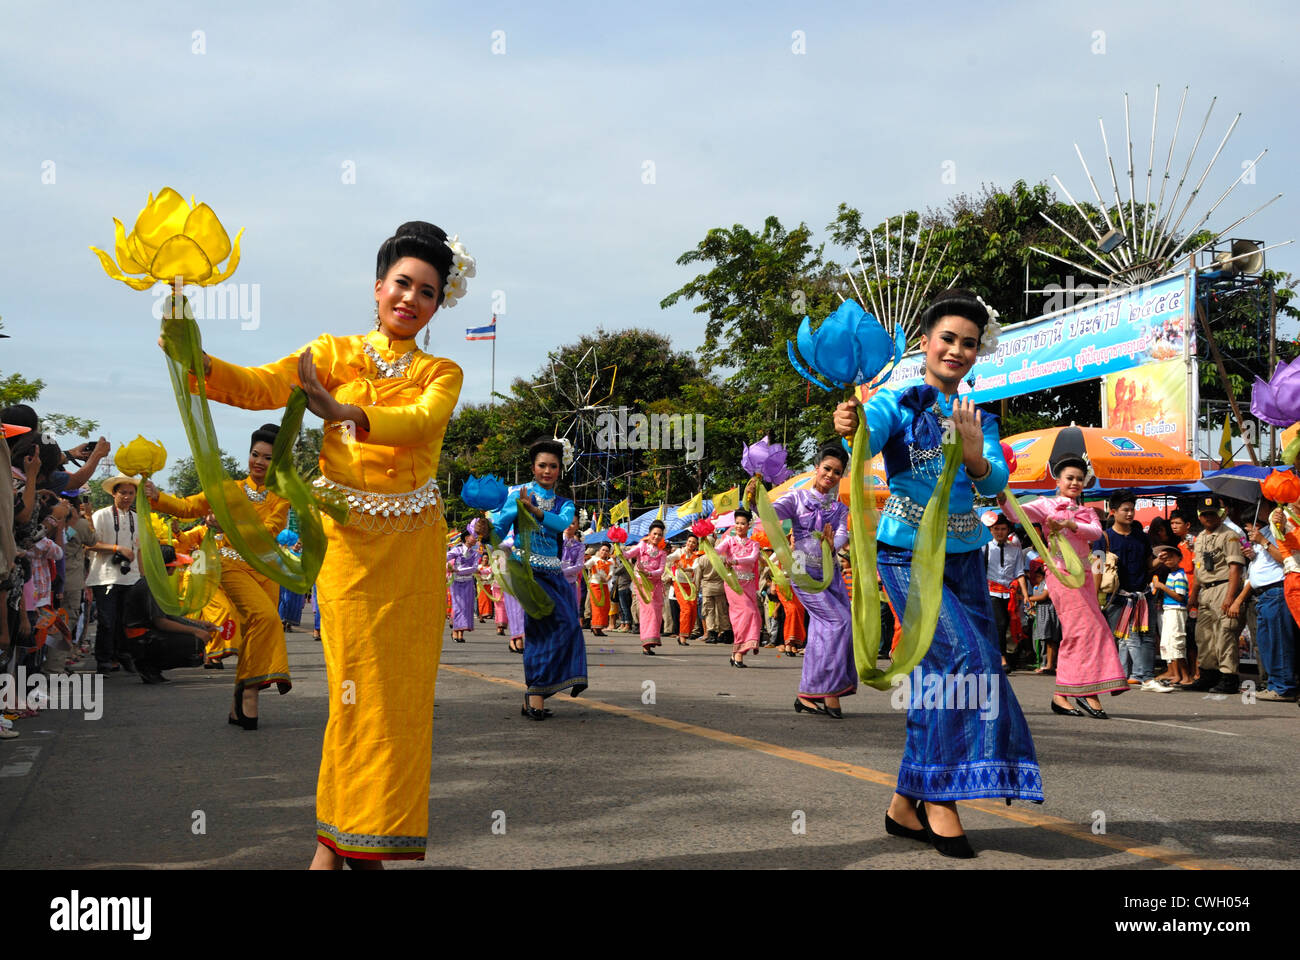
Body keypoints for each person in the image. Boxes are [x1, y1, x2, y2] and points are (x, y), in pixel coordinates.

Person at [164, 220, 466, 868]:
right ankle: (354, 845)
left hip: (413, 548)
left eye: (428, 291)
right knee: (360, 692)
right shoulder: (331, 353)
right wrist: (197, 359)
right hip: (351, 548)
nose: (410, 298)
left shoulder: (443, 372)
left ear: (439, 303)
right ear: (378, 286)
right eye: (402, 283)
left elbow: (420, 423)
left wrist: (349, 414)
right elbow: (258, 387)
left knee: (402, 703)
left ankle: (342, 848)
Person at [834, 288, 1043, 859]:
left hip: (966, 556)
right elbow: (864, 437)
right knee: (963, 662)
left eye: (969, 343)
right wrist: (849, 418)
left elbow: (993, 482)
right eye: (947, 339)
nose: (957, 350)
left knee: (950, 673)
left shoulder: (978, 415)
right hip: (905, 554)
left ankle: (908, 799)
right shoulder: (896, 403)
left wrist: (975, 450)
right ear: (925, 343)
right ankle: (940, 799)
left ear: (978, 353)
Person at [146, 424, 293, 724]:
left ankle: (238, 699)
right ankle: (250, 694)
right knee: (267, 619)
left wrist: (230, 526)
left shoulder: (282, 496)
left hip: (266, 570)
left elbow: (269, 532)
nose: (259, 462)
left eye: (267, 457)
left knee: (255, 633)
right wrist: (157, 495)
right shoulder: (227, 489)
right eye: (255, 454)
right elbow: (188, 507)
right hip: (231, 565)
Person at [1017, 456, 1130, 717]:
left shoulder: (1087, 511)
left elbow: (1094, 532)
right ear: (1058, 480)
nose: (1075, 482)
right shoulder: (1046, 505)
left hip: (1085, 575)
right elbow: (1017, 514)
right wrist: (1002, 495)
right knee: (1082, 630)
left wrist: (1068, 523)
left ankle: (1074, 692)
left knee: (1096, 629)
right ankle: (1075, 692)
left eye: (1080, 478)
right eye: (1070, 478)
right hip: (1061, 574)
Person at [492, 439, 588, 715]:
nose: (547, 471)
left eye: (553, 466)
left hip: (555, 575)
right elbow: (501, 526)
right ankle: (535, 698)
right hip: (529, 574)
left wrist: (535, 511)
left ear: (560, 470)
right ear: (533, 468)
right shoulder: (517, 495)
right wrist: (487, 528)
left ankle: (535, 695)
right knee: (541, 632)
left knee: (568, 627)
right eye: (542, 465)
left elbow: (560, 523)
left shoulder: (564, 503)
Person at [768, 443, 852, 715]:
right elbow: (768, 515)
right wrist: (755, 495)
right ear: (817, 469)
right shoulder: (796, 498)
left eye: (837, 472)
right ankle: (828, 690)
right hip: (803, 572)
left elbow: (843, 534)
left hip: (831, 576)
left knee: (820, 632)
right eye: (827, 468)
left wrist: (832, 544)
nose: (830, 475)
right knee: (840, 622)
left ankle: (809, 692)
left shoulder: (840, 508)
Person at [1093, 492, 1161, 690]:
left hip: (1143, 595)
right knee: (1127, 636)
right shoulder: (1102, 538)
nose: (1130, 514)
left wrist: (1160, 560)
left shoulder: (1142, 537)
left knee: (1147, 636)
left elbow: (1149, 565)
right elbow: (1097, 567)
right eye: (1126, 510)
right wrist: (1095, 597)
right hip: (1118, 597)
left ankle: (1141, 675)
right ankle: (1144, 678)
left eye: (1132, 509)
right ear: (1113, 512)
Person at [121, 545, 216, 683]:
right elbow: (161, 622)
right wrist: (196, 631)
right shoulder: (151, 586)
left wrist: (200, 624)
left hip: (144, 635)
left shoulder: (154, 582)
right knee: (194, 641)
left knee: (200, 631)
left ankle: (151, 666)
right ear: (169, 567)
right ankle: (148, 665)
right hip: (142, 639)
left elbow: (168, 615)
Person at [1228, 512, 1295, 701]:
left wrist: (1264, 541)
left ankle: (1284, 687)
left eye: (1248, 526)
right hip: (1262, 595)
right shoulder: (1262, 533)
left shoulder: (1278, 530)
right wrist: (1252, 554)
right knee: (1266, 643)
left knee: (1279, 642)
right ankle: (1274, 684)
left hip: (1276, 591)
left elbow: (1285, 558)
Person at [1185, 498, 1245, 693]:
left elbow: (1235, 568)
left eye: (1212, 513)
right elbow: (1199, 569)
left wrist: (1230, 597)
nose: (1208, 517)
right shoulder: (1200, 537)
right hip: (1205, 590)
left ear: (1220, 514)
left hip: (1223, 586)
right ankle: (1208, 674)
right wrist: (1193, 594)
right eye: (1205, 514)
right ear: (1199, 516)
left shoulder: (1230, 536)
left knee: (1225, 634)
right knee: (1204, 635)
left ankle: (1228, 677)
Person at [85, 475, 142, 675]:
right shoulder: (101, 515)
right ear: (113, 494)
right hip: (105, 576)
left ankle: (123, 655)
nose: (127, 497)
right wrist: (117, 548)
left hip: (131, 578)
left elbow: (140, 551)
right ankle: (104, 659)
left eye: (131, 493)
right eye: (123, 493)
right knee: (107, 621)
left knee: (126, 621)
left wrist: (144, 579)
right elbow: (90, 543)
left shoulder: (138, 518)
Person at [715, 508, 762, 667]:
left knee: (750, 616)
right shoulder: (729, 541)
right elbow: (716, 552)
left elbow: (753, 558)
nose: (739, 526)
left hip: (748, 584)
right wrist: (705, 543)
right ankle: (740, 652)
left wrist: (735, 561)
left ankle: (736, 652)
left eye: (743, 523)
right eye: (737, 523)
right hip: (733, 584)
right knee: (746, 612)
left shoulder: (754, 544)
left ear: (749, 525)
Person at [983, 514, 1027, 670]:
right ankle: (1002, 658)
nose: (1000, 532)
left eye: (1003, 529)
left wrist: (1026, 595)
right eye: (996, 529)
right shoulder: (985, 547)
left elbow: (1019, 573)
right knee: (1000, 623)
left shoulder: (1015, 550)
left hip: (1010, 594)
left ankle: (1004, 655)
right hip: (991, 592)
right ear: (991, 530)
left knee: (1009, 625)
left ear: (1008, 530)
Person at [624, 520, 668, 655]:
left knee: (656, 612)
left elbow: (660, 571)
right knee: (647, 611)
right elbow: (628, 555)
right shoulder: (641, 546)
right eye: (654, 533)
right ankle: (646, 643)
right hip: (642, 583)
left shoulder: (662, 553)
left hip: (655, 584)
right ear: (649, 534)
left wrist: (649, 573)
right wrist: (618, 550)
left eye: (659, 534)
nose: (656, 537)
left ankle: (652, 639)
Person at [1151, 544, 1192, 686]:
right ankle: (1177, 674)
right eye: (1166, 557)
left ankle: (1185, 676)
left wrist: (1162, 587)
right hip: (1170, 610)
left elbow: (1180, 597)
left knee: (1177, 643)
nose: (1168, 560)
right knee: (1169, 643)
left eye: (1171, 557)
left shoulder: (1180, 575)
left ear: (1179, 558)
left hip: (1176, 610)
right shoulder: (1172, 574)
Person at [446, 525, 481, 642]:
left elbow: (474, 568)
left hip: (468, 581)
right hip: (456, 582)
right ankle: (456, 631)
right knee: (458, 606)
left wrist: (458, 570)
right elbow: (445, 558)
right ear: (466, 538)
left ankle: (460, 633)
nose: (475, 539)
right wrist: (449, 567)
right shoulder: (457, 550)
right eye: (473, 536)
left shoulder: (475, 553)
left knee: (466, 607)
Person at [666, 534, 701, 645]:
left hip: (691, 585)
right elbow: (668, 558)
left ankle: (685, 633)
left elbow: (694, 568)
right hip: (679, 584)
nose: (691, 544)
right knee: (686, 609)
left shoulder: (696, 556)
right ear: (686, 542)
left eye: (693, 542)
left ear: (696, 545)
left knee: (693, 610)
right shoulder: (679, 552)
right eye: (689, 541)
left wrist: (685, 569)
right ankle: (682, 636)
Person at [695, 532, 731, 643]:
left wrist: (696, 591)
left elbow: (697, 577)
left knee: (709, 611)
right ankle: (726, 633)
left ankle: (712, 634)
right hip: (721, 587)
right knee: (722, 611)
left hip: (707, 588)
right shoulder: (722, 558)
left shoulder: (701, 559)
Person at [584, 543, 614, 637]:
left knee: (605, 607)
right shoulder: (594, 559)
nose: (604, 552)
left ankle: (599, 627)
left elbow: (611, 573)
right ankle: (595, 627)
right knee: (597, 606)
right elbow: (585, 566)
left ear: (609, 553)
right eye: (603, 550)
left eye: (607, 551)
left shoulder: (610, 562)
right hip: (595, 585)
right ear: (599, 551)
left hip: (604, 586)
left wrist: (606, 579)